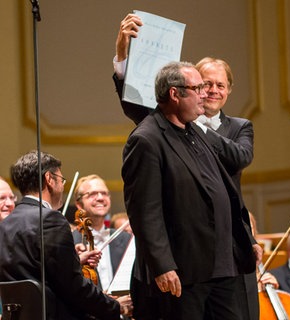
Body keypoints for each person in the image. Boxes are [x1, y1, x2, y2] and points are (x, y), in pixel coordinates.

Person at [113, 15, 258, 319]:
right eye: (198, 88)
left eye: (215, 87)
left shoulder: (198, 129)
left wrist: (245, 238)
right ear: (175, 94)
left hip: (223, 267)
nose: (206, 94)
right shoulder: (148, 138)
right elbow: (145, 212)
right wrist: (163, 265)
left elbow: (226, 190)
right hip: (184, 271)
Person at [0, 151, 132, 319]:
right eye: (61, 180)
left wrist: (74, 261)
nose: (62, 187)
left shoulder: (7, 223)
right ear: (49, 179)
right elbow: (73, 285)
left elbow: (34, 270)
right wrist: (115, 306)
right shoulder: (50, 219)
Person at [72, 174, 132, 291]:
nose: (100, 198)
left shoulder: (126, 239)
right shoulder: (70, 242)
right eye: (92, 194)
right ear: (79, 205)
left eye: (104, 193)